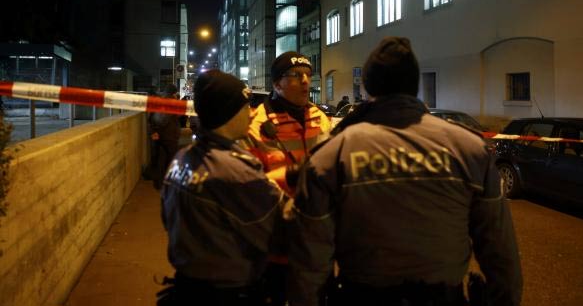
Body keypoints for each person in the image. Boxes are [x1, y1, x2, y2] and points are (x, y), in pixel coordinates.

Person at [287, 36, 523, 306]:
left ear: (368, 87)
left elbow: (310, 262)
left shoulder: (333, 155)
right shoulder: (469, 149)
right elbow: (501, 252)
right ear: (414, 85)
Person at [159, 70, 284, 306]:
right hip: (231, 291)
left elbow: (168, 218)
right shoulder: (238, 171)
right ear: (229, 112)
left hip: (186, 286)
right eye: (246, 105)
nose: (252, 112)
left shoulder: (182, 159)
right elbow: (279, 231)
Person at [246, 51, 332, 306]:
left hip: (317, 238)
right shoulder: (256, 124)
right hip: (276, 242)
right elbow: (250, 186)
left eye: (307, 75)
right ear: (276, 84)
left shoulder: (320, 118)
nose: (305, 81)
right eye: (295, 75)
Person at [148, 84, 181, 189]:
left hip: (160, 135)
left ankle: (158, 182)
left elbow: (151, 118)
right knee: (171, 160)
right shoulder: (171, 102)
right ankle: (166, 183)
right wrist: (158, 130)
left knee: (159, 160)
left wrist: (154, 131)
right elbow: (165, 118)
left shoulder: (159, 100)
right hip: (169, 136)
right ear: (173, 93)